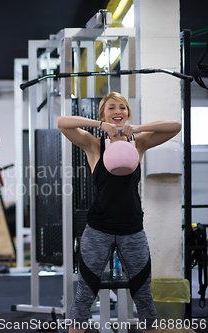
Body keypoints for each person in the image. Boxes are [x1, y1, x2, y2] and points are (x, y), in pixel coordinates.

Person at [57, 92, 181, 333]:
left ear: (127, 113)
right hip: (98, 230)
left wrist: (136, 128)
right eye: (111, 107)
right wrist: (99, 125)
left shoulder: (139, 143)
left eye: (122, 107)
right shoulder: (94, 145)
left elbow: (174, 127)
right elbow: (62, 123)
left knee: (143, 295)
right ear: (103, 113)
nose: (118, 111)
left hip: (132, 230)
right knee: (85, 295)